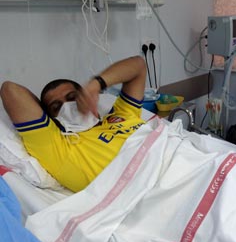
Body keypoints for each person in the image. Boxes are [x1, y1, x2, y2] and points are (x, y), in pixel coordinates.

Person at [0, 56, 147, 192]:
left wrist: (96, 84)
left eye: (73, 97)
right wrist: (44, 115)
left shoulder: (121, 114)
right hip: (146, 182)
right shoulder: (60, 148)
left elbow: (138, 65)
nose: (68, 105)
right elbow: (10, 90)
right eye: (56, 107)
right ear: (52, 119)